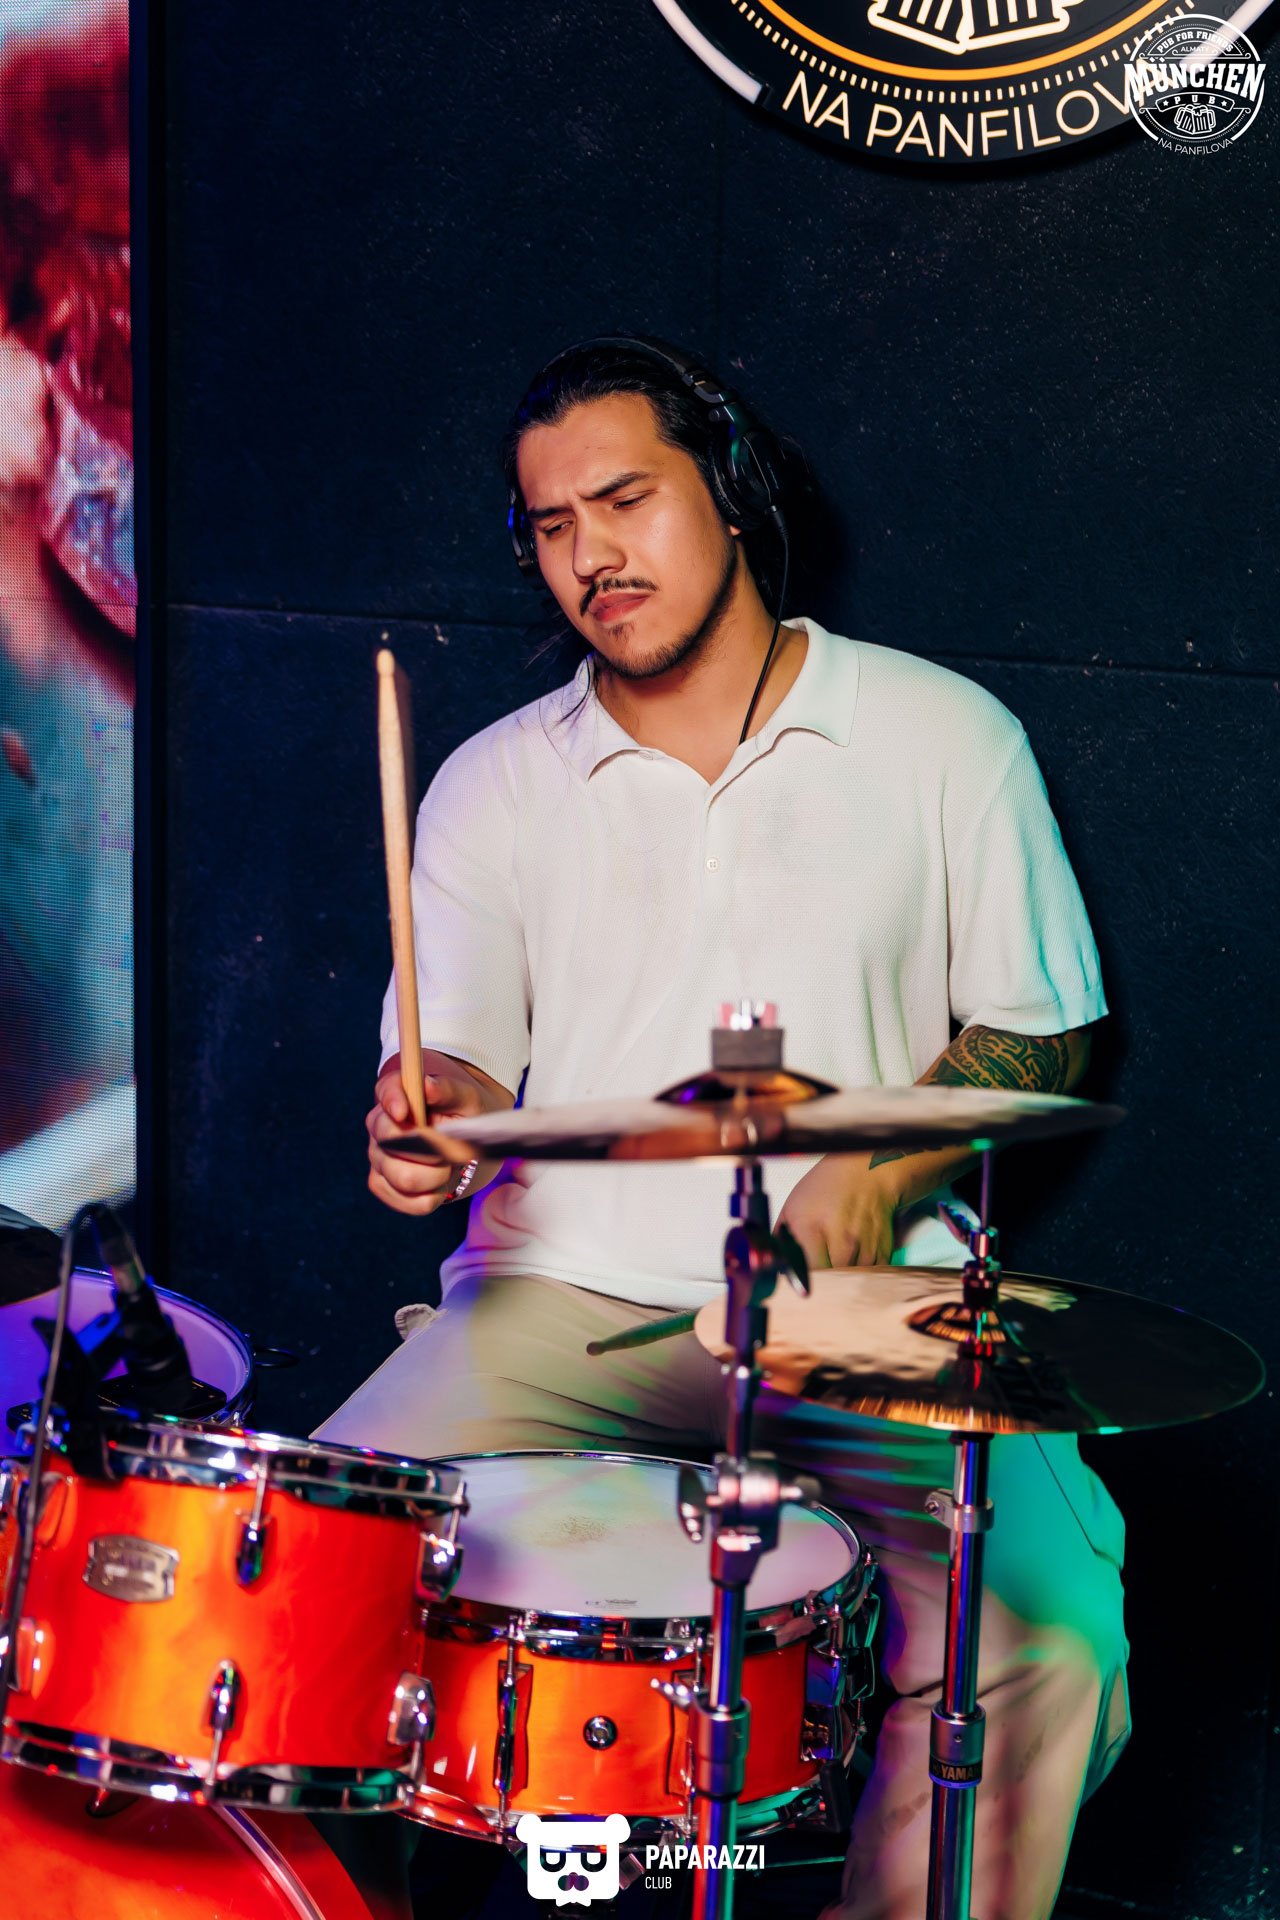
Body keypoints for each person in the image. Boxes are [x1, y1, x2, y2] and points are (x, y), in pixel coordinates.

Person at [317, 338, 1129, 1920]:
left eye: (625, 499)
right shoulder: (493, 781)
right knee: (304, 1584)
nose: (592, 556)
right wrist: (431, 1117)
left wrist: (876, 1169)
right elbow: (457, 1061)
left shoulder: (942, 735)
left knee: (1046, 1637)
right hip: (556, 1296)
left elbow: (1046, 1021)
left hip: (872, 1303)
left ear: (736, 491)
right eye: (553, 525)